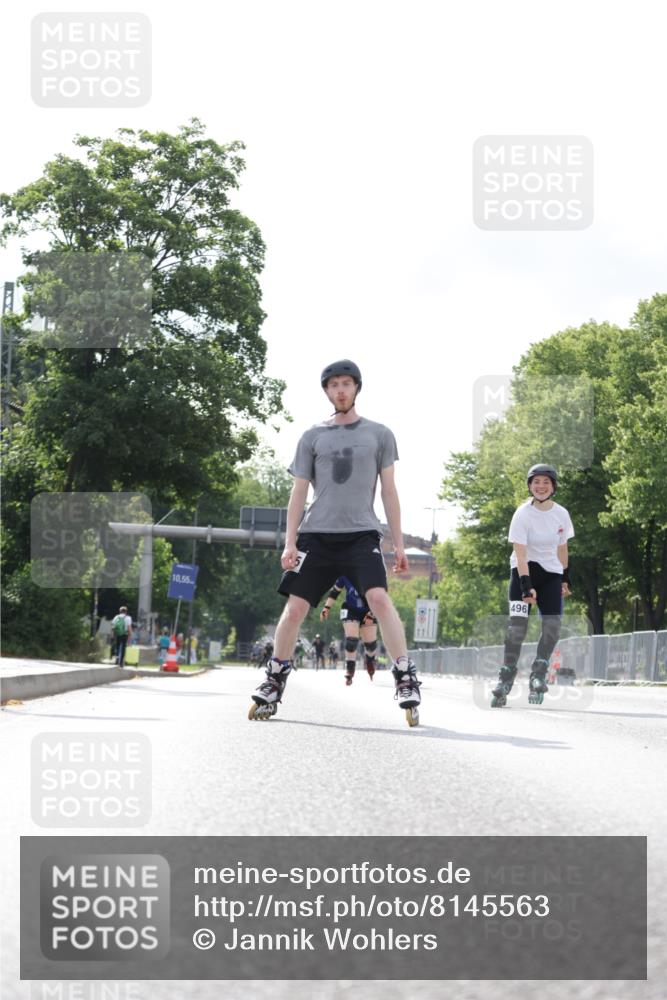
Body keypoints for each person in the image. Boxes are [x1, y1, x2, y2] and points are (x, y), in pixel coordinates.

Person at [248, 359, 422, 726]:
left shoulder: (380, 434)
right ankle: (274, 679)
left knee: (378, 599)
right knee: (295, 609)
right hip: (317, 537)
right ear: (326, 391)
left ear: (357, 388)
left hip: (361, 535)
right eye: (333, 385)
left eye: (347, 384)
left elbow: (389, 490)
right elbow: (298, 494)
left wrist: (400, 544)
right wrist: (289, 541)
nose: (340, 390)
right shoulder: (312, 436)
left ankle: (405, 676)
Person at [491, 464, 574, 707]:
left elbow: (562, 548)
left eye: (545, 482)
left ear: (553, 487)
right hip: (522, 572)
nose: (540, 486)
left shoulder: (561, 514)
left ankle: (538, 674)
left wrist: (566, 577)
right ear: (529, 485)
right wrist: (526, 587)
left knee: (553, 625)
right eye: (536, 482)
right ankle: (505, 678)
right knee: (517, 626)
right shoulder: (522, 514)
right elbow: (520, 553)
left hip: (550, 574)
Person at [320, 575, 379, 685]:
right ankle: (350, 668)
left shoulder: (371, 568)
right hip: (350, 608)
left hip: (370, 609)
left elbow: (380, 593)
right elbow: (335, 591)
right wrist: (326, 607)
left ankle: (370, 660)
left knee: (370, 645)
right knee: (351, 640)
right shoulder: (345, 571)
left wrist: (372, 613)